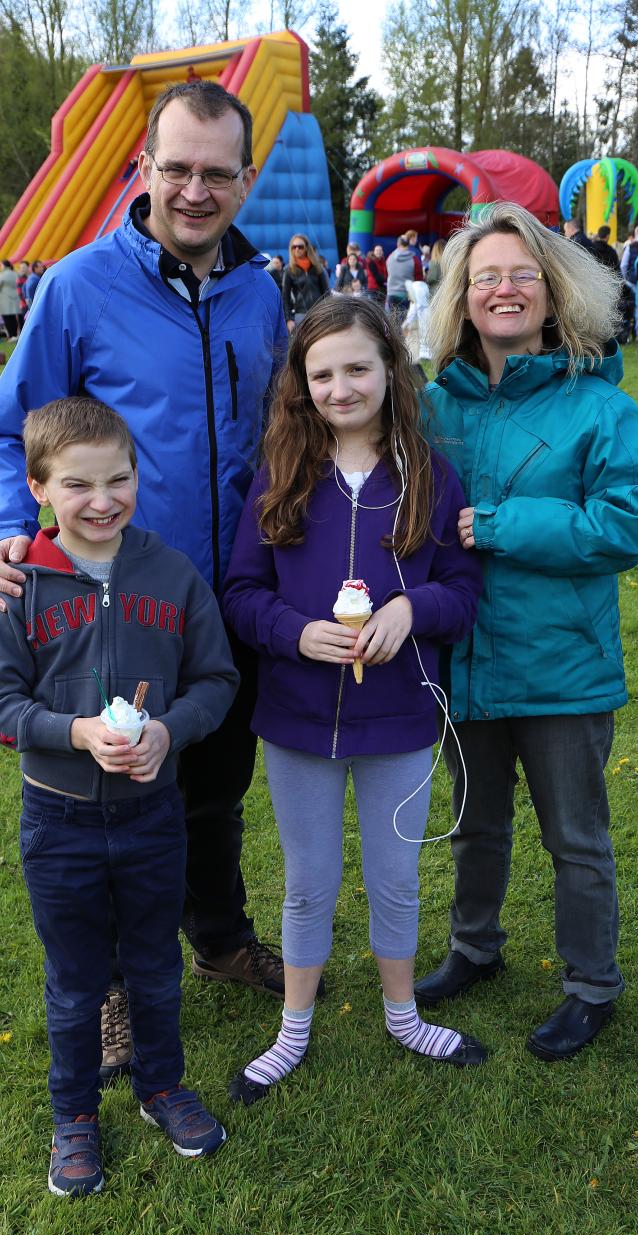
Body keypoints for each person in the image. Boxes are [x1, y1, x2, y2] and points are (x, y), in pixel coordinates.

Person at [0, 79, 290, 1087]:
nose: (195, 190)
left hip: (226, 600)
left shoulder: (260, 290)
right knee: (112, 794)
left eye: (216, 173)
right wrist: (3, 533)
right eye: (176, 168)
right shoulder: (75, 287)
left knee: (213, 781)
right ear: (141, 171)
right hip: (110, 604)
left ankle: (219, 933)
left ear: (244, 179)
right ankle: (108, 985)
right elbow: (0, 437)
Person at [414, 202, 638, 1061]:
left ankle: (591, 983)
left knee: (574, 836)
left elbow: (627, 523)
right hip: (465, 658)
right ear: (461, 295)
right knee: (473, 822)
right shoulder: (431, 406)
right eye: (484, 275)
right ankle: (473, 949)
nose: (504, 289)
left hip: (562, 662)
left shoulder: (597, 408)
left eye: (522, 273)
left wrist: (499, 524)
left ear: (556, 291)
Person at [0, 397, 239, 1194]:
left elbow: (217, 679)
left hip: (153, 815)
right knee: (78, 979)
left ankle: (161, 1086)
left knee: (156, 966)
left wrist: (171, 732)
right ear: (39, 488)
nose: (102, 501)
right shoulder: (22, 582)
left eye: (119, 479)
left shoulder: (171, 572)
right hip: (59, 821)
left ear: (137, 475)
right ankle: (75, 1114)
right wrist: (74, 732)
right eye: (78, 485)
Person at [221, 297, 486, 1105]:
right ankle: (293, 1027)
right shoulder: (281, 477)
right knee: (307, 884)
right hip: (297, 721)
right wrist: (294, 633)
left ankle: (402, 1013)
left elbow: (463, 589)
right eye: (322, 373)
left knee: (396, 876)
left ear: (389, 371)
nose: (341, 387)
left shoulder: (430, 477)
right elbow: (240, 591)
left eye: (357, 368)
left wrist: (414, 611)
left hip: (401, 718)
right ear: (301, 384)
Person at [282, 234, 329, 330]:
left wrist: (328, 311)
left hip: (319, 312)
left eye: (300, 246)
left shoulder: (318, 267)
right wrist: (289, 319)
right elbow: (285, 297)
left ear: (307, 247)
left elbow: (326, 292)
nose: (297, 249)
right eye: (294, 247)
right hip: (300, 314)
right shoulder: (289, 269)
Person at [386, 236, 423, 321]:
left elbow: (386, 272)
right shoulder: (414, 259)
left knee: (391, 320)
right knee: (404, 321)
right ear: (408, 244)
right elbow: (419, 278)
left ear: (398, 244)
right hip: (406, 294)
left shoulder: (390, 257)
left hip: (391, 292)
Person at [0, 259, 21, 338]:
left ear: (4, 266)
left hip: (5, 299)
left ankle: (11, 335)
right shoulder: (15, 273)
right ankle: (15, 334)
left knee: (7, 318)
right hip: (15, 297)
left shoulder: (2, 275)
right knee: (14, 317)